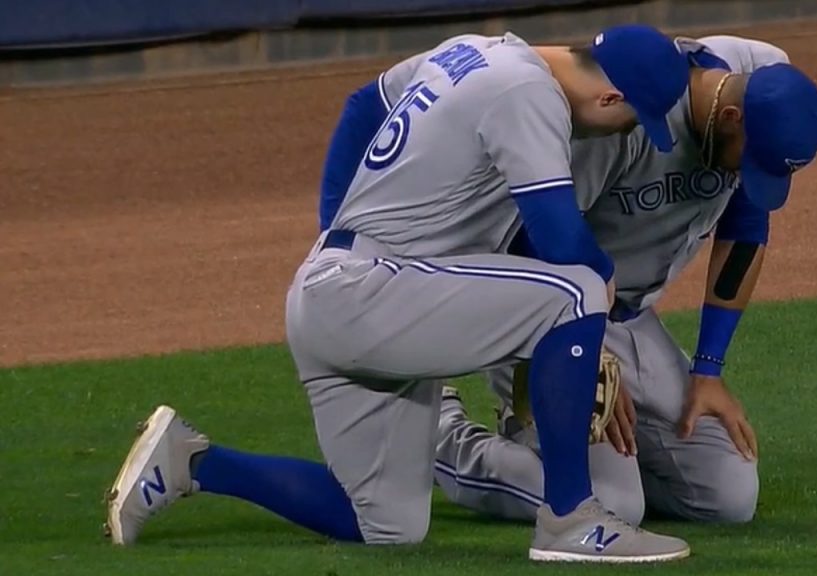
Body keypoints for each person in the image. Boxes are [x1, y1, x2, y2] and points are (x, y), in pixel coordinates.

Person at [105, 25, 697, 563]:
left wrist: (334, 235)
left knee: (385, 523)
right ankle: (570, 518)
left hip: (340, 294)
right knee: (578, 289)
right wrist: (596, 308)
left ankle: (192, 462)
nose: (620, 134)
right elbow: (561, 238)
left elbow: (364, 104)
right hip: (373, 293)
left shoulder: (471, 51)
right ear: (610, 98)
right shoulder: (526, 92)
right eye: (629, 122)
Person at [432, 35, 817, 525]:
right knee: (612, 501)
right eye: (750, 161)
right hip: (540, 304)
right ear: (731, 117)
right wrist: (582, 347)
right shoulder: (628, 113)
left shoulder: (763, 77)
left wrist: (708, 369)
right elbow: (532, 236)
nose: (749, 176)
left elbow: (746, 224)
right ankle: (441, 435)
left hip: (625, 315)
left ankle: (582, 448)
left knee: (727, 496)